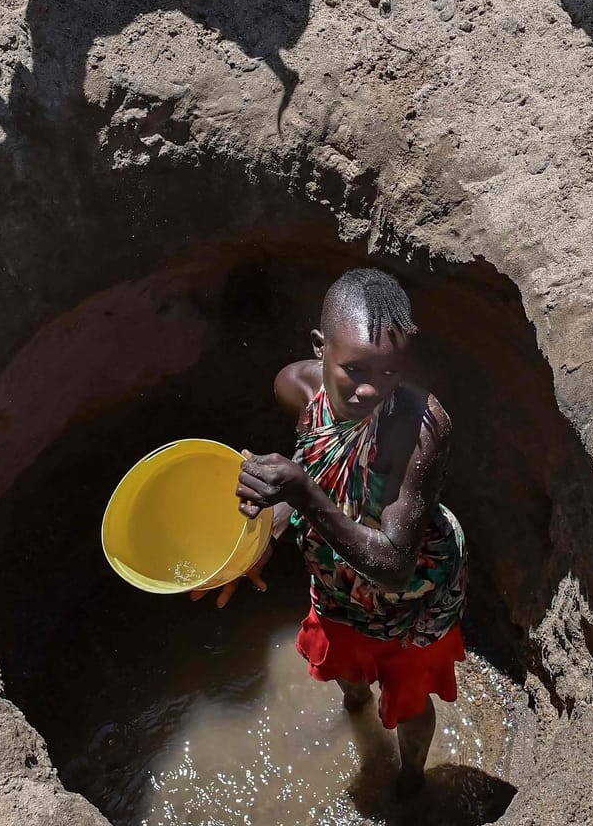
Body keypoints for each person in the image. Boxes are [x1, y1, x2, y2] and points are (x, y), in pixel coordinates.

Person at [201, 267, 466, 795]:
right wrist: (258, 542)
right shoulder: (295, 389)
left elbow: (393, 566)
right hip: (338, 578)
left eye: (388, 373)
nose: (371, 389)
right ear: (319, 347)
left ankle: (411, 776)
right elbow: (323, 475)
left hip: (411, 592)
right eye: (354, 369)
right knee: (348, 671)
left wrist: (299, 493)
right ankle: (357, 717)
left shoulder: (420, 427)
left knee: (410, 700)